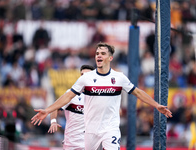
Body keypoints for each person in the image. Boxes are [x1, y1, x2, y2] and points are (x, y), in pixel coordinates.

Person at [31, 42, 172, 149]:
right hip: (90, 131)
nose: (99, 55)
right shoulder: (85, 79)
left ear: (110, 58)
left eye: (103, 53)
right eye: (97, 53)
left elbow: (137, 92)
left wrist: (156, 105)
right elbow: (67, 97)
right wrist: (48, 110)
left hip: (110, 128)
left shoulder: (119, 77)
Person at [48, 65, 95, 150]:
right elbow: (55, 107)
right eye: (82, 74)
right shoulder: (71, 94)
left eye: (87, 74)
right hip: (71, 144)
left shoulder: (97, 97)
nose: (84, 77)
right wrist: (53, 121)